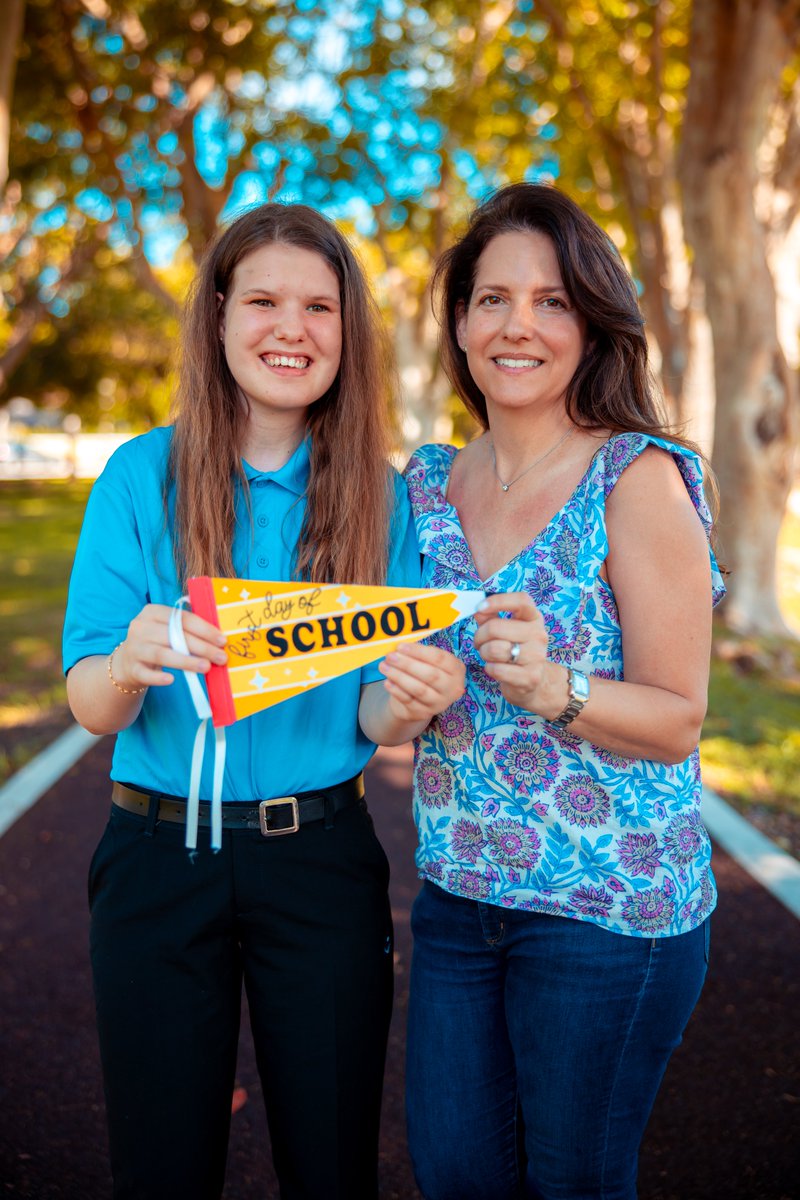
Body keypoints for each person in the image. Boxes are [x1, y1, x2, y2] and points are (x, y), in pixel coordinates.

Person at [62, 202, 465, 1200]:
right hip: (157, 861)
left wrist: (408, 703)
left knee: (329, 1165)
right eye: (266, 301)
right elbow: (90, 707)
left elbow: (376, 719)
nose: (292, 327)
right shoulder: (135, 476)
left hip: (317, 862)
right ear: (217, 317)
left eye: (319, 307)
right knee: (162, 1167)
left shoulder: (381, 497)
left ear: (346, 332)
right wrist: (128, 660)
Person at [402, 182, 726, 1200]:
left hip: (607, 911)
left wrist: (556, 687)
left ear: (589, 324)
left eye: (550, 301)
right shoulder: (423, 485)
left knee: (574, 1182)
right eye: (490, 298)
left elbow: (676, 719)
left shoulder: (636, 479)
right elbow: (388, 689)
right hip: (457, 900)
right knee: (456, 1175)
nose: (517, 326)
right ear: (458, 325)